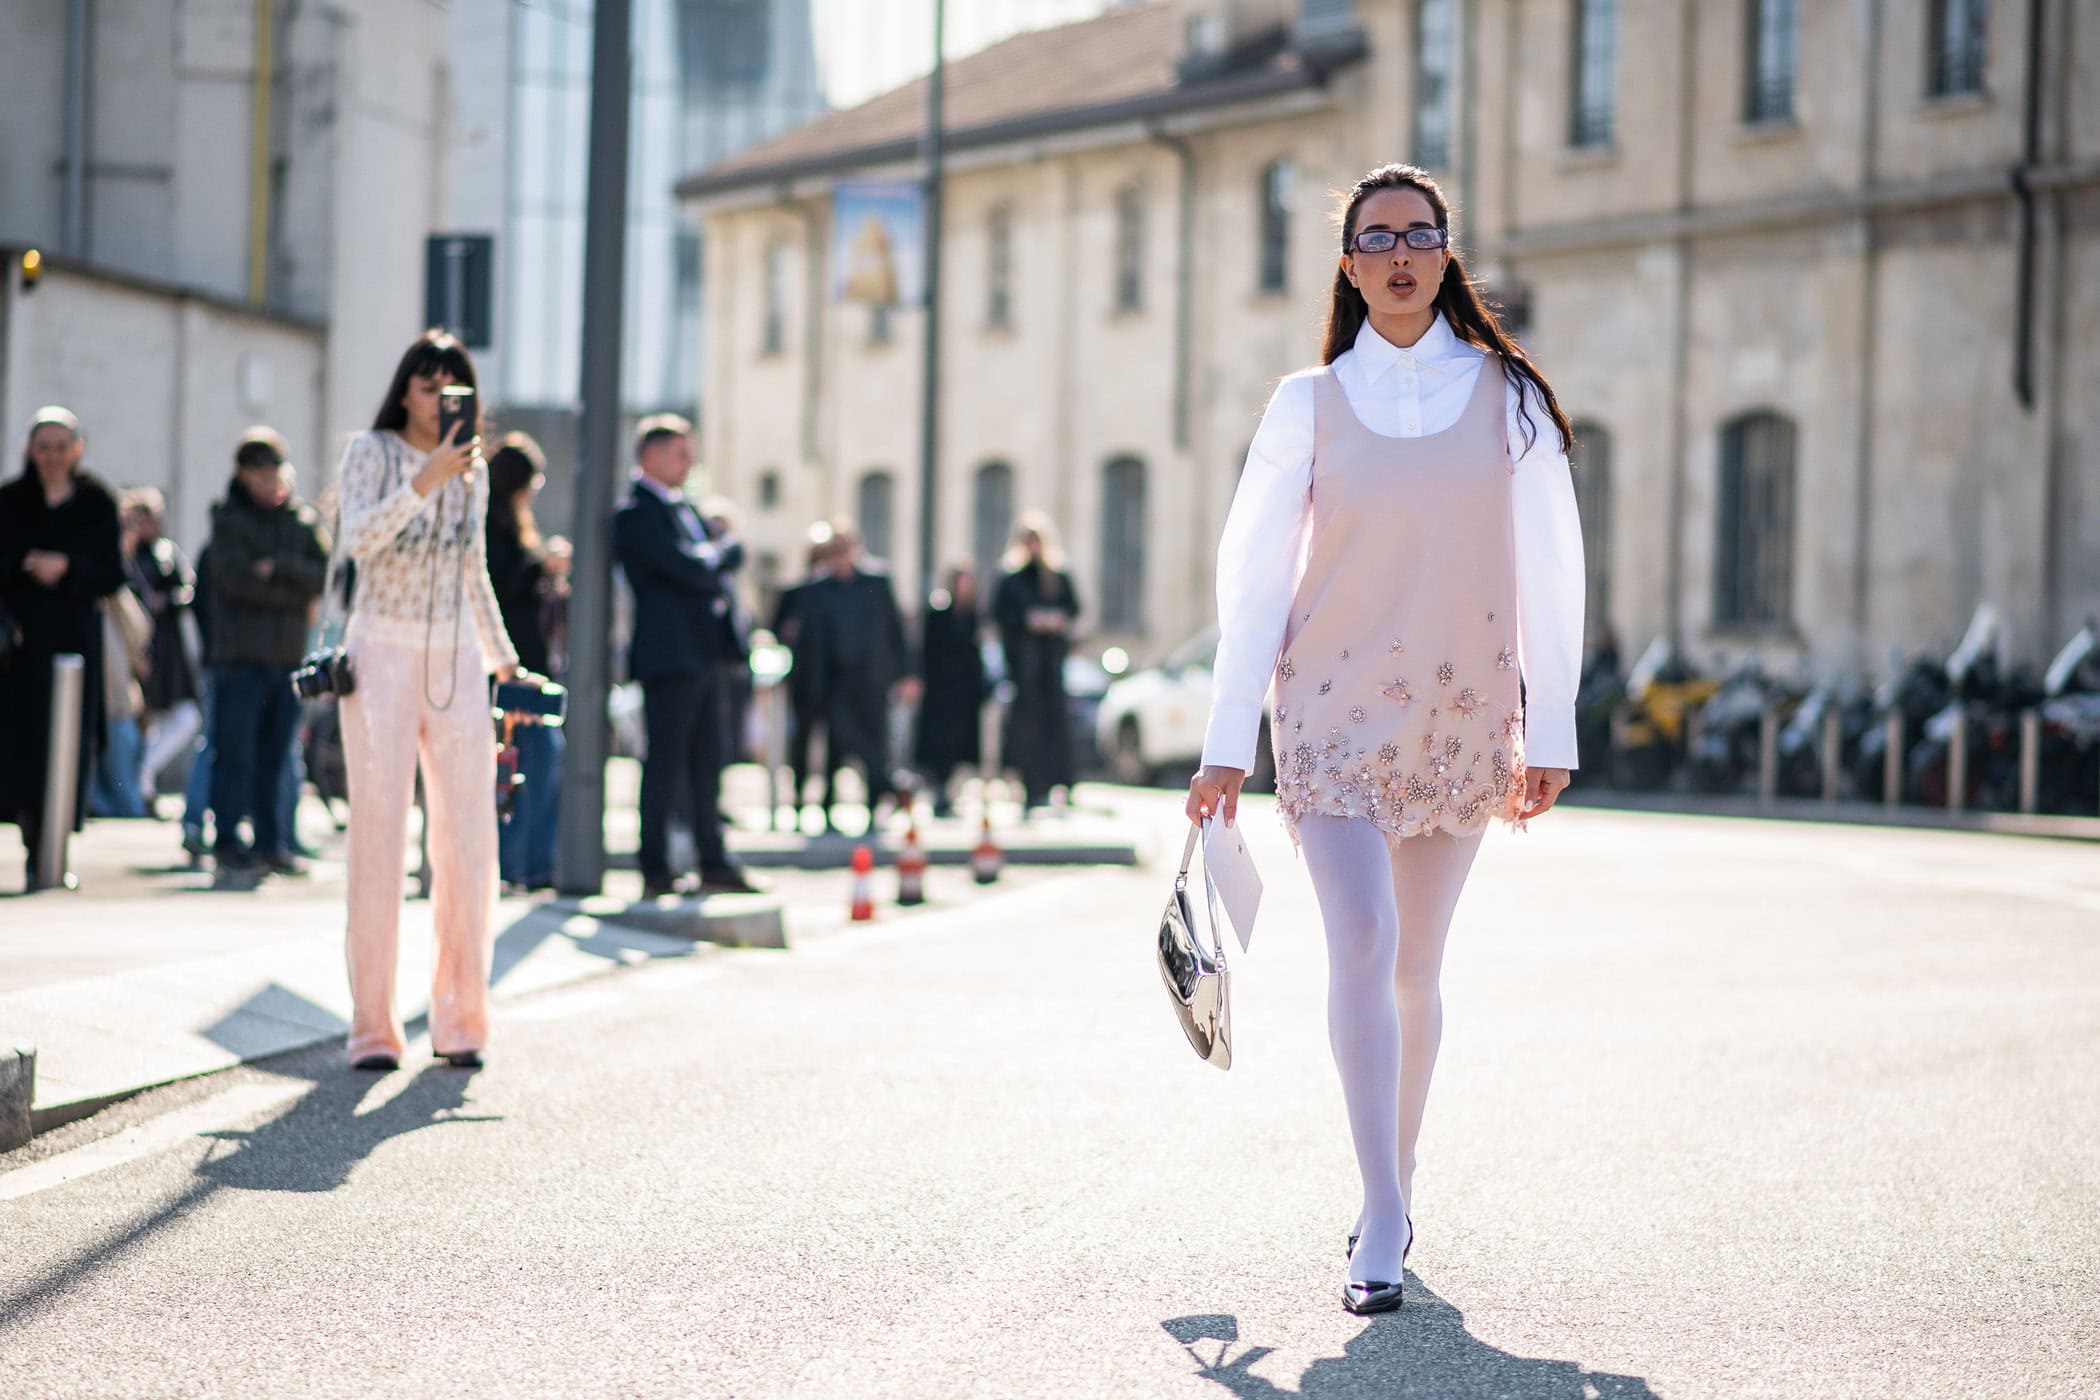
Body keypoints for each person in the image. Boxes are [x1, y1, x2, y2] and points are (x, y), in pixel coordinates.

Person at [1186, 164, 1583, 1316]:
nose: (1400, 253)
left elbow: (1554, 566)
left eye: (1420, 234)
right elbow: (1252, 575)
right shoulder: (1303, 403)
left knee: (1415, 964)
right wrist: (1224, 739)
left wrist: (1549, 719)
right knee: (1358, 934)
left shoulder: (1508, 396)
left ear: (1447, 252)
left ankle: (1393, 1180)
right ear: (1349, 262)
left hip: (1461, 714)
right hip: (1329, 709)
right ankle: (1382, 1209)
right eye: (1377, 237)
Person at [334, 330, 521, 1071]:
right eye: (424, 384)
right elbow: (358, 540)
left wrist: (506, 662)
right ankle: (372, 1028)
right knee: (376, 839)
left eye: (452, 387)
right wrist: (425, 480)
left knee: (468, 840)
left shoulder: (473, 474)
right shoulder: (371, 454)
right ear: (403, 390)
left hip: (456, 658)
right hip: (379, 650)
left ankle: (462, 1019)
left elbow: (474, 573)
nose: (436, 398)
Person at [613, 414, 758, 898]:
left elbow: (705, 562)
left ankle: (711, 859)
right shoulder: (637, 512)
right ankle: (654, 866)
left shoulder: (683, 508)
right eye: (680, 453)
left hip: (703, 654)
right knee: (665, 763)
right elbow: (691, 567)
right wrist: (724, 555)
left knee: (707, 762)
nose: (689, 462)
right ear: (650, 456)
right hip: (669, 656)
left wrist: (716, 557)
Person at [0, 407, 126, 888]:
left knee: (69, 741)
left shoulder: (96, 503)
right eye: (43, 448)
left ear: (77, 450)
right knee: (21, 743)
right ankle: (31, 842)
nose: (52, 457)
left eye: (61, 447)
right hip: (19, 647)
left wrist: (67, 567)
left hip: (74, 645)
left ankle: (57, 846)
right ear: (30, 452)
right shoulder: (11, 501)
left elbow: (111, 573)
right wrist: (26, 564)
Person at [205, 429, 329, 876]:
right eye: (256, 469)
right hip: (241, 659)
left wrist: (276, 568)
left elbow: (323, 577)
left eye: (272, 467)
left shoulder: (301, 520)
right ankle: (226, 840)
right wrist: (289, 588)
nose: (265, 477)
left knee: (277, 758)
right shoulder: (229, 519)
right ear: (242, 473)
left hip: (287, 659)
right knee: (234, 753)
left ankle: (271, 842)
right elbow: (235, 582)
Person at [485, 432, 568, 891]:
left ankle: (530, 866)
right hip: (512, 670)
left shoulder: (510, 526)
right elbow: (503, 589)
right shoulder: (492, 529)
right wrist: (543, 569)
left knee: (534, 765)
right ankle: (521, 867)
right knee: (527, 768)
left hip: (523, 666)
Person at [802, 522, 912, 832]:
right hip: (835, 679)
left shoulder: (876, 581)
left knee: (873, 740)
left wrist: (906, 673)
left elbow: (895, 629)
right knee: (838, 740)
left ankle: (877, 799)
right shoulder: (818, 588)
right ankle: (865, 793)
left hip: (872, 678)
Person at [122, 489, 204, 808]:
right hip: (141, 645)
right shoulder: (131, 555)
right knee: (146, 719)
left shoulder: (167, 551)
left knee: (183, 717)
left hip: (170, 647)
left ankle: (144, 774)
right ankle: (142, 787)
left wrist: (168, 600)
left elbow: (187, 588)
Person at [993, 516, 1080, 812]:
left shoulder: (1056, 575)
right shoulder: (1011, 578)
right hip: (1024, 665)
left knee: (1056, 723)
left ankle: (1061, 784)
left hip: (1051, 663)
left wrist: (1054, 620)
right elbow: (1000, 613)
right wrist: (1028, 620)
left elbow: (1072, 608)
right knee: (1026, 728)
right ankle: (1031, 786)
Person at [769, 526, 836, 826]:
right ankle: (796, 797)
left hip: (835, 678)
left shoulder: (838, 591)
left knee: (835, 741)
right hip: (805, 676)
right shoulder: (796, 592)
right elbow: (776, 628)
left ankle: (828, 801)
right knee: (802, 740)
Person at [913, 562, 987, 818]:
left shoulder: (972, 615)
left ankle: (950, 791)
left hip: (965, 692)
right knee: (939, 746)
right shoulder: (939, 613)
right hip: (941, 691)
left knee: (960, 746)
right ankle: (938, 792)